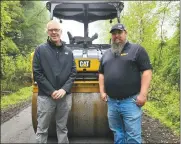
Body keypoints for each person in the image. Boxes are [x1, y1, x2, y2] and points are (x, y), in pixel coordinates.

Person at [98, 23, 152, 144]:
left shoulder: (137, 50)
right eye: (114, 33)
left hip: (130, 102)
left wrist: (143, 94)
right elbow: (101, 73)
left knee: (132, 135)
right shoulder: (106, 54)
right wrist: (102, 91)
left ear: (125, 33)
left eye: (119, 33)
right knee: (117, 133)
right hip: (112, 102)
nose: (116, 36)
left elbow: (147, 72)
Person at [33, 20, 77, 143]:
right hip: (46, 97)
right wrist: (51, 91)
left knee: (62, 128)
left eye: (56, 29)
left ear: (61, 32)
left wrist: (64, 89)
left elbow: (73, 72)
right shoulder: (40, 50)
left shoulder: (68, 52)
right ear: (47, 32)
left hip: (64, 96)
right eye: (51, 30)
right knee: (42, 129)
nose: (54, 32)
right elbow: (37, 73)